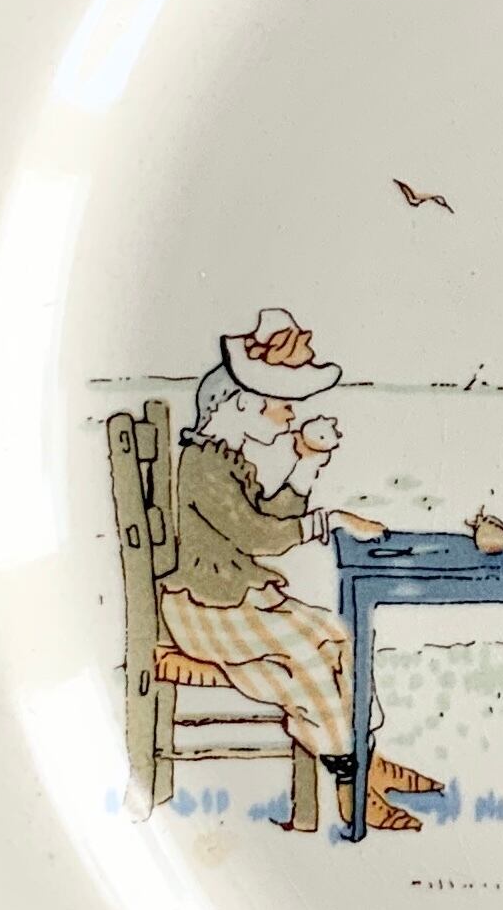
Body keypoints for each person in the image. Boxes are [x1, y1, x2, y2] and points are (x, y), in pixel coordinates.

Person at [156, 308, 441, 835]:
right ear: (241, 405)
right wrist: (333, 519)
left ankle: (367, 758)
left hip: (235, 602)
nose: (288, 417)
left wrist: (306, 461)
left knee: (338, 637)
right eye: (280, 405)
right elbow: (258, 535)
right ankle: (351, 785)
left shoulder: (229, 461)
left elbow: (273, 516)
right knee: (306, 663)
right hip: (204, 609)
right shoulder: (203, 466)